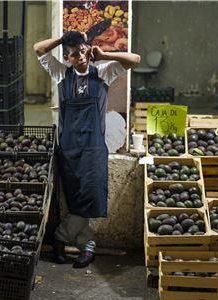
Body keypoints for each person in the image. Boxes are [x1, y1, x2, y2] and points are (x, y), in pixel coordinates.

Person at [33, 31, 140, 268]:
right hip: (69, 147)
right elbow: (39, 49)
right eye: (73, 55)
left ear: (88, 51)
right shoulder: (61, 74)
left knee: (91, 196)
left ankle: (60, 238)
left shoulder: (103, 72)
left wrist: (105, 54)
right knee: (74, 199)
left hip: (93, 147)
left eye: (82, 51)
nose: (79, 57)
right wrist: (63, 39)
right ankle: (86, 245)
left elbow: (135, 59)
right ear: (67, 58)